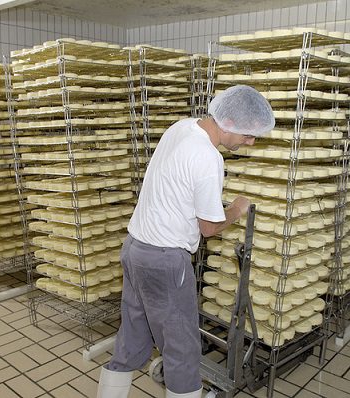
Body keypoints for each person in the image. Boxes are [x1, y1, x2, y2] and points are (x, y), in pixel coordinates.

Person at [97, 85, 275, 398]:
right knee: (181, 351)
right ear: (230, 123)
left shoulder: (181, 127)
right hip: (164, 261)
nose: (251, 142)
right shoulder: (209, 157)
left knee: (132, 337)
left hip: (135, 248)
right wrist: (236, 208)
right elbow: (208, 227)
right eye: (249, 134)